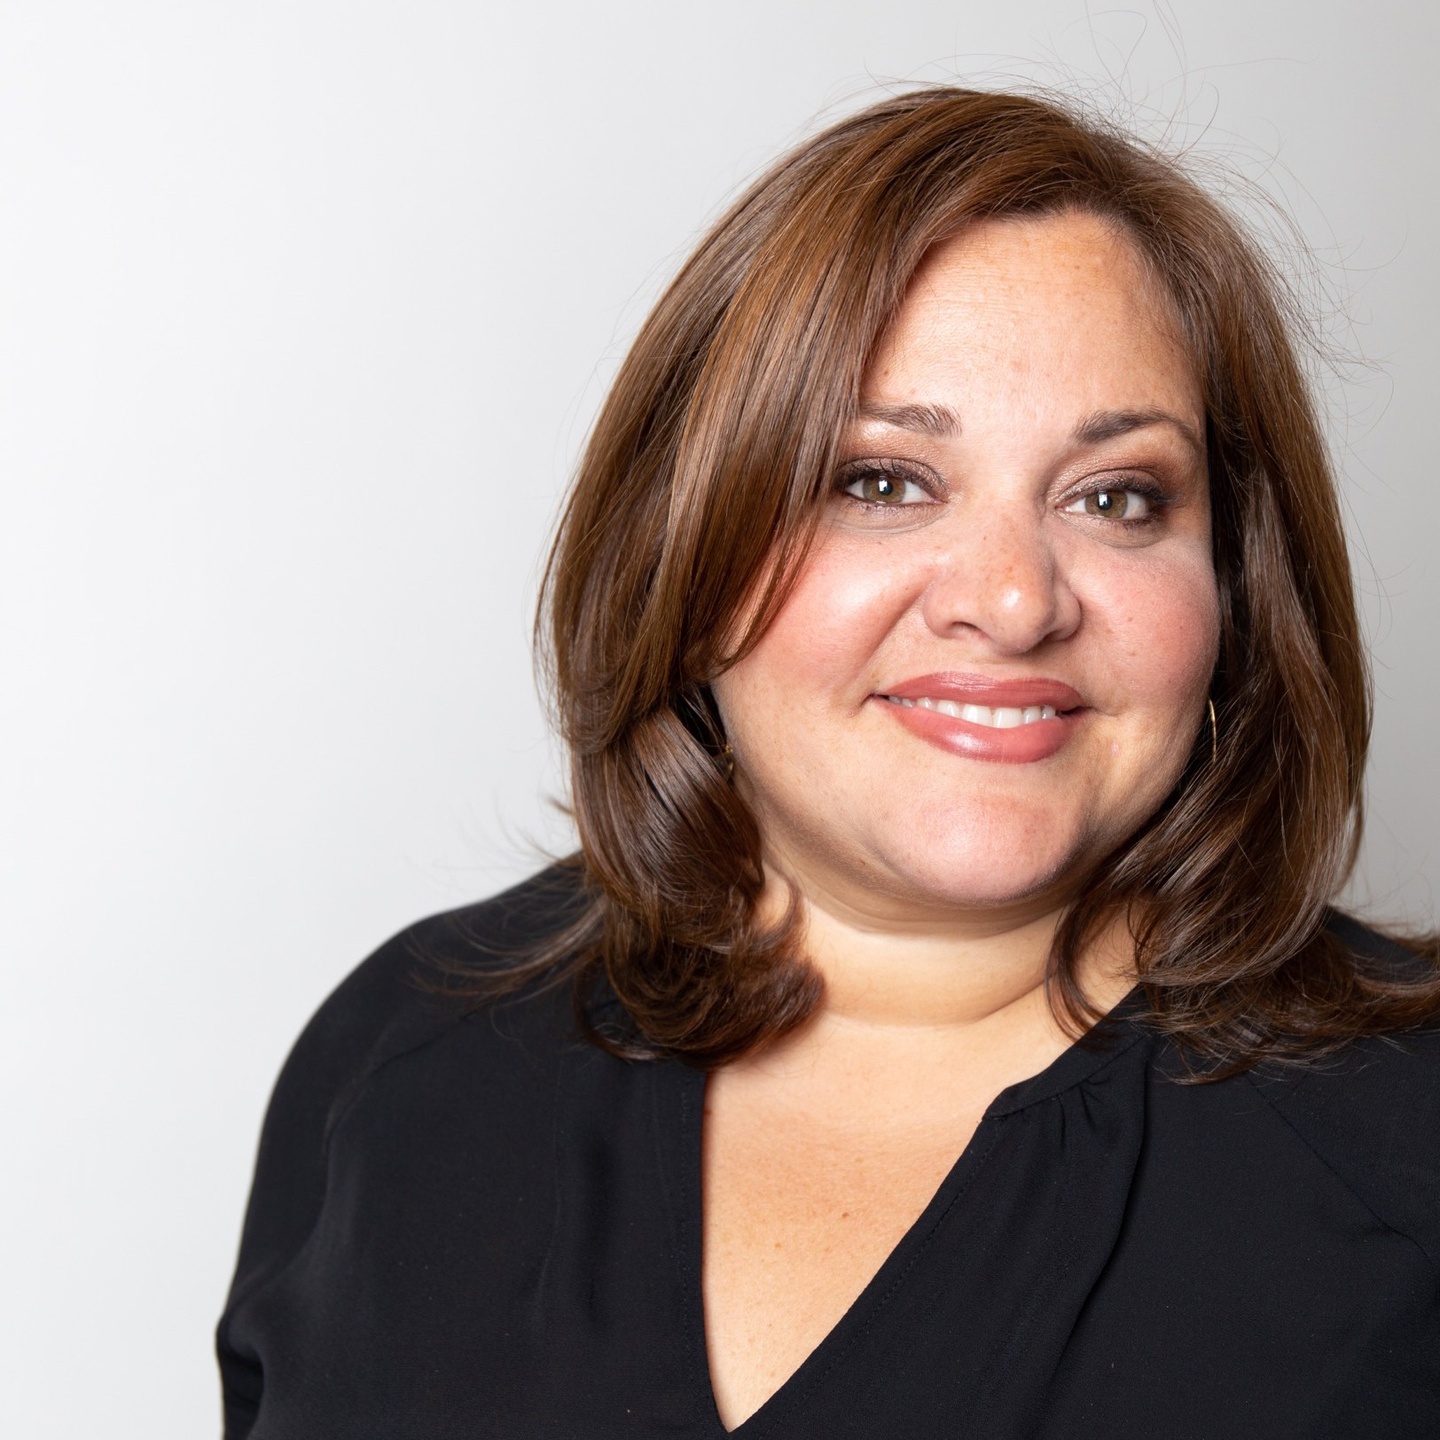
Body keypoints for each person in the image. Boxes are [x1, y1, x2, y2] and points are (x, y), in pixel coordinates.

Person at [217, 87, 1440, 1438]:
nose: (1013, 601)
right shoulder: (403, 1058)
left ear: (1237, 588)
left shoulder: (1406, 1153)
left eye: (1116, 497)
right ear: (691, 546)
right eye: (882, 481)